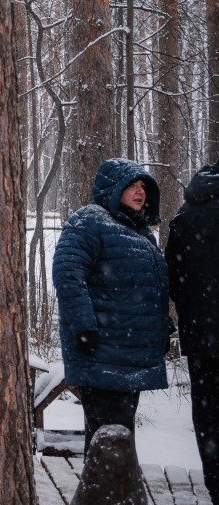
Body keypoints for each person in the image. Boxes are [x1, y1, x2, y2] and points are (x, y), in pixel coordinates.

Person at [53, 158, 172, 454]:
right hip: (101, 352)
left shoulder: (141, 233)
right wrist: (84, 326)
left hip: (129, 354)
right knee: (108, 439)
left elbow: (147, 288)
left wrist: (162, 326)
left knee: (119, 436)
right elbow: (68, 274)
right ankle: (104, 498)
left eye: (142, 185)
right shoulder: (90, 221)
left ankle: (113, 494)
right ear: (112, 188)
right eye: (131, 185)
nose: (140, 191)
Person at [166, 161, 219, 505]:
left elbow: (172, 276)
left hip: (202, 337)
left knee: (210, 418)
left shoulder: (186, 215)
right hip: (204, 332)